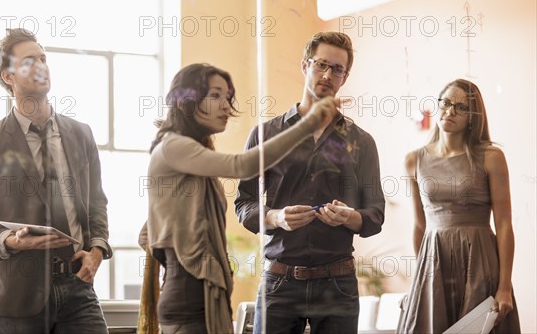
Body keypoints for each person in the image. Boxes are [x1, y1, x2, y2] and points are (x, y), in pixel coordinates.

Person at [138, 63, 341, 334]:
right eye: (215, 95)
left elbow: (147, 232)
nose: (226, 106)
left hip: (200, 291)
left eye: (227, 97)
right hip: (188, 294)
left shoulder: (188, 156)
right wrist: (308, 124)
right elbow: (242, 166)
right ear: (186, 100)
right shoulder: (173, 145)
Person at [235, 31, 386, 333]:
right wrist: (275, 217)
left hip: (338, 284)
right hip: (279, 282)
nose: (328, 75)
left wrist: (351, 218)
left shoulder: (362, 142)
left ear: (345, 76)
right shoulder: (265, 135)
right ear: (305, 66)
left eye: (337, 69)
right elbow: (243, 203)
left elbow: (375, 215)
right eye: (321, 65)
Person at [0, 28, 113, 334]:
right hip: (19, 296)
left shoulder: (82, 134)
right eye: (29, 61)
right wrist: (10, 240)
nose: (41, 65)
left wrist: (97, 250)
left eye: (43, 58)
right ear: (8, 76)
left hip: (78, 287)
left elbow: (97, 204)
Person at [398, 79, 520, 333]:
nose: (450, 111)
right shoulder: (413, 160)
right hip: (434, 263)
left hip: (480, 261)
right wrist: (418, 283)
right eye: (445, 103)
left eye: (461, 108)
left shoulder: (492, 156)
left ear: (473, 118)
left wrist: (505, 286)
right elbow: (419, 225)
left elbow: (505, 224)